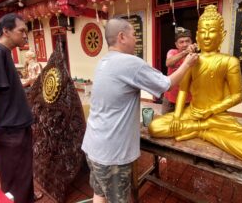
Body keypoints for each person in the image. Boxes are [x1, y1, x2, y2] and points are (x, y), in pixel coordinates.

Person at [81, 18, 198, 203]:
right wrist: (188, 63)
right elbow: (166, 84)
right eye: (134, 35)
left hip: (92, 146)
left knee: (100, 194)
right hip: (112, 155)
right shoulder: (130, 63)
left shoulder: (103, 62)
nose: (136, 39)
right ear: (122, 37)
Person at [148, 5, 242, 165]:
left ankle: (202, 130)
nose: (206, 36)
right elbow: (183, 89)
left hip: (216, 115)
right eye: (203, 32)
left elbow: (237, 96)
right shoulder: (193, 59)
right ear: (197, 35)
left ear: (222, 35)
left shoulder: (229, 61)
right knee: (154, 127)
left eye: (211, 31)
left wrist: (210, 111)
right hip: (192, 112)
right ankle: (203, 129)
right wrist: (177, 116)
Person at [0, 13, 42, 202]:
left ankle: (27, 196)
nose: (25, 35)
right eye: (21, 31)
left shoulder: (5, 52)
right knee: (13, 175)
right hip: (8, 129)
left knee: (23, 170)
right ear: (6, 31)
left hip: (18, 126)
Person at [162, 27, 197, 114]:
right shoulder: (172, 52)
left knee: (184, 124)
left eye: (187, 41)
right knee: (166, 123)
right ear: (176, 45)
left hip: (187, 99)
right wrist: (185, 52)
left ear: (192, 42)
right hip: (169, 98)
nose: (185, 44)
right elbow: (168, 63)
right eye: (181, 42)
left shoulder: (195, 56)